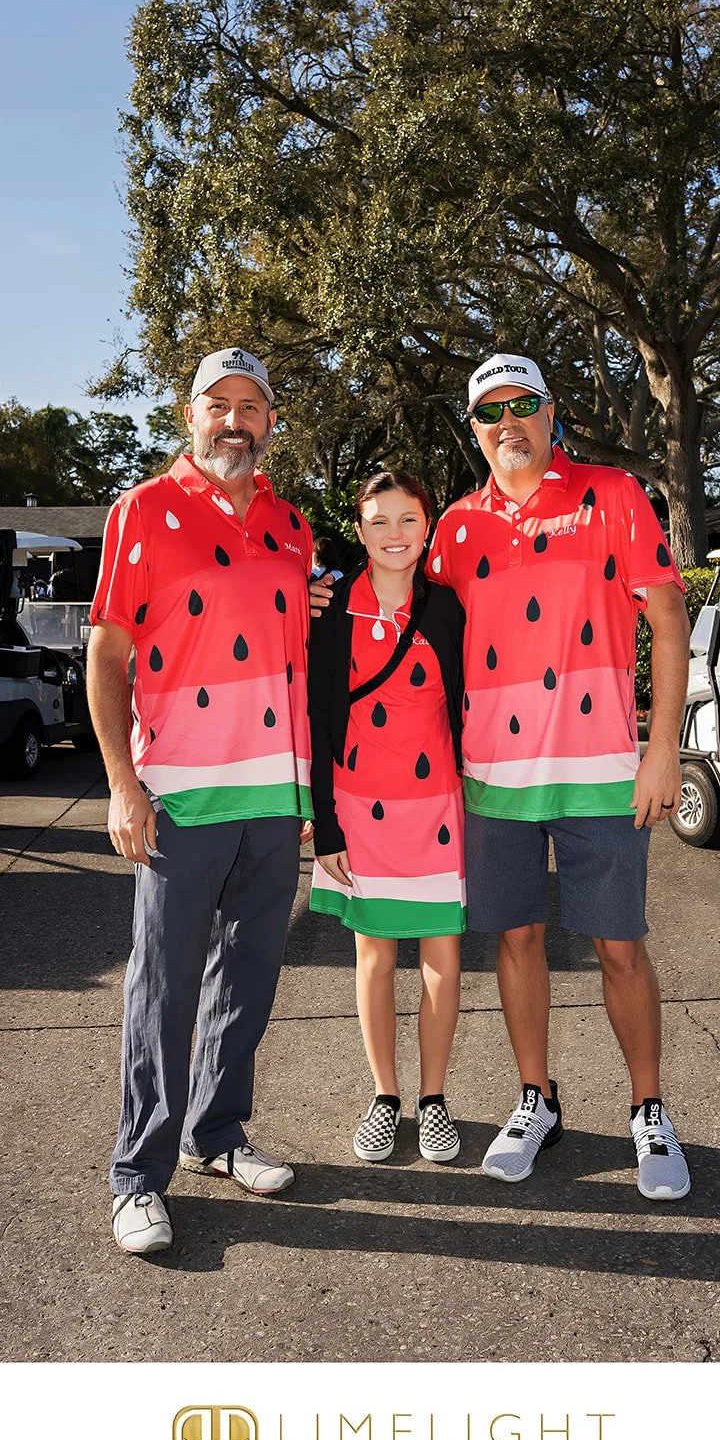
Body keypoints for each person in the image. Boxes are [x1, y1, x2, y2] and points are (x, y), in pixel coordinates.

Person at [311, 353, 692, 1200]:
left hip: (603, 772)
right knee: (515, 940)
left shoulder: (613, 494)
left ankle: (649, 1110)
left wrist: (662, 746)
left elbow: (668, 616)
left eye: (523, 404)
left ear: (552, 413)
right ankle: (536, 1098)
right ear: (474, 428)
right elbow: (401, 597)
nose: (507, 421)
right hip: (489, 780)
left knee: (620, 948)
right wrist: (323, 595)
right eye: (489, 410)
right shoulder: (454, 525)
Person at [87, 346, 314, 1255]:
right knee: (164, 986)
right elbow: (107, 655)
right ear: (190, 417)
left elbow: (297, 653)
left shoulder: (293, 526)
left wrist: (306, 789)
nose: (234, 421)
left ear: (270, 422)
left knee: (247, 980)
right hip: (179, 795)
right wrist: (122, 785)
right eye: (218, 404)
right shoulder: (142, 510)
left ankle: (216, 1135)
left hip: (272, 797)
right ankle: (137, 1177)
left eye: (250, 406)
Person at [308, 472, 466, 1164]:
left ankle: (433, 1100)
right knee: (373, 959)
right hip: (357, 804)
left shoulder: (450, 606)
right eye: (379, 521)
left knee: (442, 961)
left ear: (427, 526)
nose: (394, 534)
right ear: (360, 529)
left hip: (437, 807)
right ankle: (384, 1096)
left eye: (408, 519)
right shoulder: (330, 605)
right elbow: (318, 718)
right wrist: (325, 823)